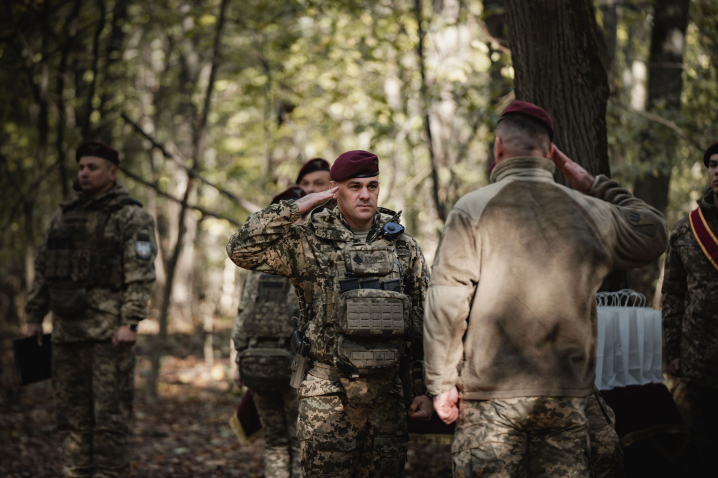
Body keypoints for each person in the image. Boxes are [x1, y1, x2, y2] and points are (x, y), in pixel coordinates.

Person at [423, 101, 667, 477]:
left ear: (498, 148)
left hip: (491, 401)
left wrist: (441, 385)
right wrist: (593, 184)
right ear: (551, 153)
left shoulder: (472, 209)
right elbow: (653, 231)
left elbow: (447, 304)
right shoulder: (591, 210)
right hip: (566, 398)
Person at [227, 150, 433, 477]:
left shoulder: (403, 246)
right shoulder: (309, 242)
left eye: (372, 185)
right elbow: (240, 249)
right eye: (354, 186)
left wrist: (421, 389)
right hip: (326, 394)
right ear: (336, 189)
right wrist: (299, 205)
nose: (365, 194)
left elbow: (422, 322)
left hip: (388, 394)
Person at [25, 141, 157, 478]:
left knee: (109, 422)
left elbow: (140, 275)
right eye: (81, 167)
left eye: (92, 167)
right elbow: (44, 268)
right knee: (72, 421)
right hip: (67, 334)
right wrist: (34, 316)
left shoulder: (131, 215)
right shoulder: (64, 213)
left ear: (112, 172)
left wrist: (130, 322)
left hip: (108, 337)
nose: (84, 173)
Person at [231, 187, 307, 478]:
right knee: (299, 440)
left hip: (256, 358)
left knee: (275, 442)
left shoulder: (255, 263)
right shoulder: (304, 260)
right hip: (296, 364)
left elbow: (242, 313)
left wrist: (239, 360)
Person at [662, 141, 718, 476]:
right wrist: (674, 348)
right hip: (700, 354)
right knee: (705, 438)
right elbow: (673, 293)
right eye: (713, 164)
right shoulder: (687, 228)